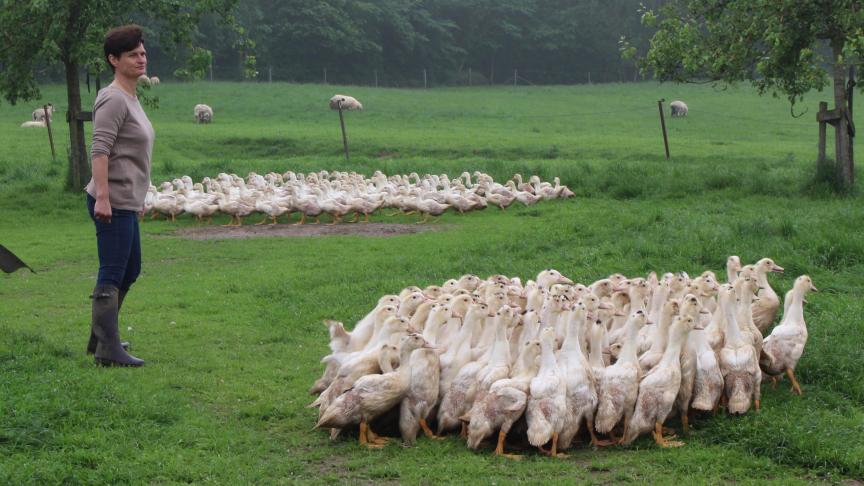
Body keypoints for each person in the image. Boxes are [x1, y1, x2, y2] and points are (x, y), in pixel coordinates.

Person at [84, 25, 154, 367]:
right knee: (113, 271)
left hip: (127, 200)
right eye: (132, 55)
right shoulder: (112, 98)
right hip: (111, 200)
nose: (141, 59)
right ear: (114, 60)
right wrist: (103, 197)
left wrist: (138, 197)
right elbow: (100, 150)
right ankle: (107, 349)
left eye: (142, 53)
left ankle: (102, 339)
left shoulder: (131, 97)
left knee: (131, 268)